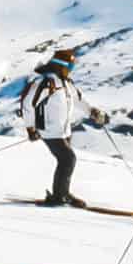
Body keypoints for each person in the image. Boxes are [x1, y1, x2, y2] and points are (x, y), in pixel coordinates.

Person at [18, 47, 107, 207]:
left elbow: (79, 100)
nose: (70, 71)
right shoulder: (45, 82)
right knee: (68, 159)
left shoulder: (66, 84)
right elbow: (27, 104)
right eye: (69, 67)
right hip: (50, 130)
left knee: (65, 161)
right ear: (59, 66)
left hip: (64, 130)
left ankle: (63, 193)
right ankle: (59, 196)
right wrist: (30, 128)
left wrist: (92, 112)